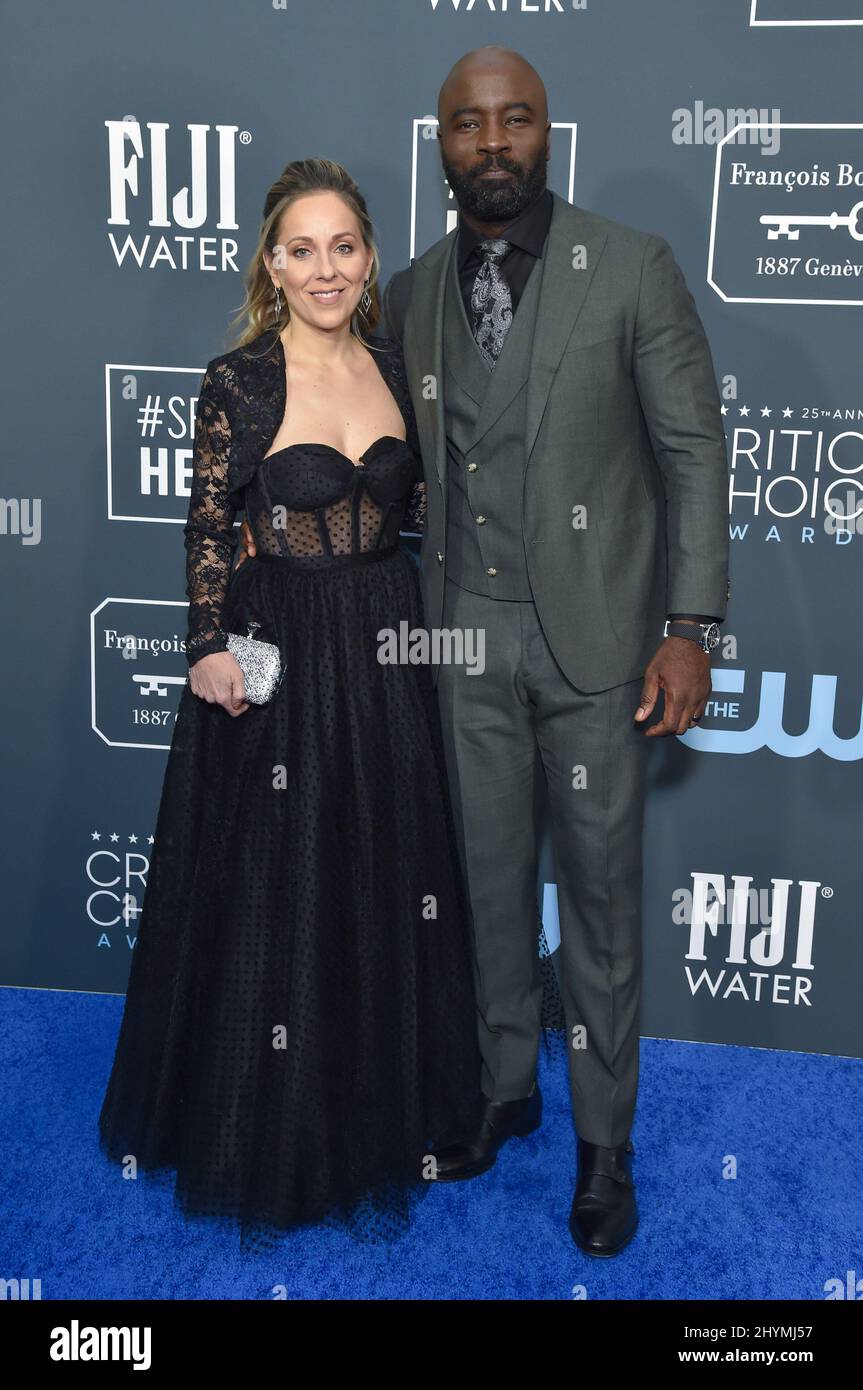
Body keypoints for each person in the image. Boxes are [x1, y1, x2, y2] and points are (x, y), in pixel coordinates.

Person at [378, 46, 730, 1257]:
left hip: (598, 647)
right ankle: (500, 1091)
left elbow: (692, 454)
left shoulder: (627, 266)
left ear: (545, 133)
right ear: (441, 143)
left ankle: (601, 1147)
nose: (491, 142)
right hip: (457, 637)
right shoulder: (412, 289)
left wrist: (688, 630)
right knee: (479, 885)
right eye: (468, 124)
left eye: (512, 119)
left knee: (594, 901)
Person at [98, 158, 483, 1249]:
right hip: (278, 643)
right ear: (271, 263)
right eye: (301, 249)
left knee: (380, 867)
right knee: (280, 877)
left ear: (368, 258)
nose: (325, 268)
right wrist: (205, 641)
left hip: (383, 634)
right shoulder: (239, 379)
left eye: (344, 247)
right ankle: (271, 1122)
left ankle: (377, 1109)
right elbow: (210, 521)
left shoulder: (397, 364)